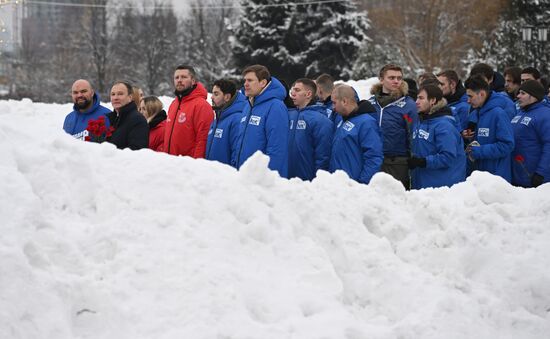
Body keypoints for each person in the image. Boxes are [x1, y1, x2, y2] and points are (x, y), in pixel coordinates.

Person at [368, 63, 418, 189]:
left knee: (396, 199)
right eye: (391, 78)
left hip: (397, 162)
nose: (396, 81)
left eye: (399, 78)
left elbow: (414, 133)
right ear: (381, 79)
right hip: (373, 160)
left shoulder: (408, 105)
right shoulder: (371, 103)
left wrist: (413, 159)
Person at [234, 64, 289, 177]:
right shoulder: (248, 106)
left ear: (263, 83)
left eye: (250, 80)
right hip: (244, 175)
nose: (245, 84)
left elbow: (277, 148)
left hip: (262, 179)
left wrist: (268, 179)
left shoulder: (275, 106)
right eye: (245, 80)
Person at [409, 85, 466, 189]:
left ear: (433, 100)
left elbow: (448, 157)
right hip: (423, 183)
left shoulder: (444, 125)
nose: (416, 101)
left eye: (421, 98)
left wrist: (423, 162)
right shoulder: (420, 121)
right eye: (417, 98)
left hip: (441, 187)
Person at [462, 75, 514, 182]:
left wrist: (478, 151)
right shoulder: (478, 112)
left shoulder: (498, 114)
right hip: (481, 176)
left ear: (481, 94)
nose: (468, 101)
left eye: (470, 96)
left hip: (496, 179)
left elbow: (507, 145)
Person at [330, 84, 383, 184]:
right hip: (340, 184)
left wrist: (362, 183)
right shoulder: (342, 121)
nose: (333, 107)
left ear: (344, 101)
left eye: (334, 103)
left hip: (354, 186)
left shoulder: (366, 123)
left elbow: (374, 157)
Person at [164, 65, 214, 158]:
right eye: (176, 77)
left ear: (193, 81)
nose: (179, 80)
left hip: (188, 166)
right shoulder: (173, 104)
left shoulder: (201, 105)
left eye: (184, 77)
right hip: (171, 164)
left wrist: (196, 165)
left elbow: (203, 140)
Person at [288, 78, 333, 181]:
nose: (293, 93)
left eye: (297, 90)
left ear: (308, 94)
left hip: (307, 181)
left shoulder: (321, 120)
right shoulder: (288, 115)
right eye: (293, 90)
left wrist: (318, 180)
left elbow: (323, 155)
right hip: (286, 179)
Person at [511, 80, 550, 187]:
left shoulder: (545, 114)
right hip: (517, 175)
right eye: (519, 93)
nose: (518, 96)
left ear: (534, 96)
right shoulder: (520, 113)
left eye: (523, 93)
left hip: (534, 178)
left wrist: (540, 173)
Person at [205, 79, 246, 166]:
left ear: (227, 97)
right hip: (212, 174)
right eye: (212, 93)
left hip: (225, 177)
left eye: (216, 94)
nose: (212, 97)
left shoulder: (237, 120)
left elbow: (237, 155)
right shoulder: (217, 119)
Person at [106, 81, 149, 150]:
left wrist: (111, 152)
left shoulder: (137, 120)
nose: (115, 98)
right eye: (113, 94)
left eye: (120, 94)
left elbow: (137, 151)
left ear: (130, 97)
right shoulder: (109, 118)